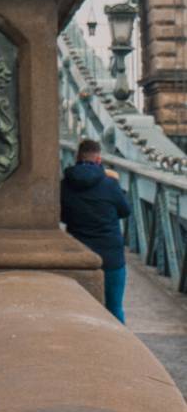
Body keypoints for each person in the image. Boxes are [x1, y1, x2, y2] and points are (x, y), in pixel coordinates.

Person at [60, 138, 131, 323]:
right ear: (99, 159)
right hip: (111, 255)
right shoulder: (110, 184)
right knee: (114, 307)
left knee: (81, 310)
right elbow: (125, 211)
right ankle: (120, 349)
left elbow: (61, 216)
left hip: (80, 254)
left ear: (77, 157)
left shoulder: (64, 185)